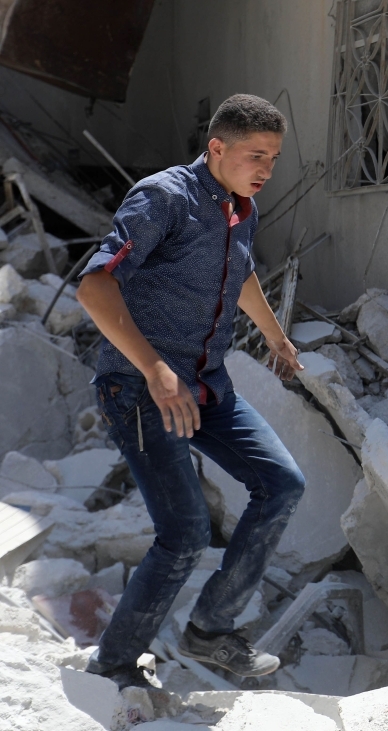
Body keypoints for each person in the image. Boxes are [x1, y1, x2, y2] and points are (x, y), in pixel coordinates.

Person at [77, 94, 306, 689]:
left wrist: (276, 338)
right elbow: (95, 286)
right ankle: (114, 666)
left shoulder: (242, 208)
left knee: (282, 483)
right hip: (141, 388)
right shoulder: (164, 198)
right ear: (216, 148)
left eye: (275, 158)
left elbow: (243, 270)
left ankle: (210, 630)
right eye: (256, 155)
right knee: (183, 534)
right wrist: (154, 370)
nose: (265, 169)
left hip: (205, 384)